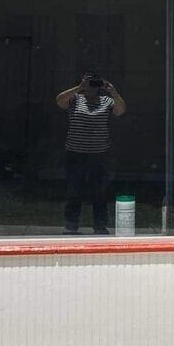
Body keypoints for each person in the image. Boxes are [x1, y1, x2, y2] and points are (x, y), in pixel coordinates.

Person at [56, 73, 126, 234]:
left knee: (99, 191)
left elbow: (120, 110)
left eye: (95, 83)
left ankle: (100, 225)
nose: (92, 87)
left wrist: (113, 92)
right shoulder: (75, 99)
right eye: (89, 82)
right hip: (75, 152)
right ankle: (71, 225)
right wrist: (79, 88)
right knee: (74, 190)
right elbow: (59, 100)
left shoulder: (106, 101)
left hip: (99, 154)